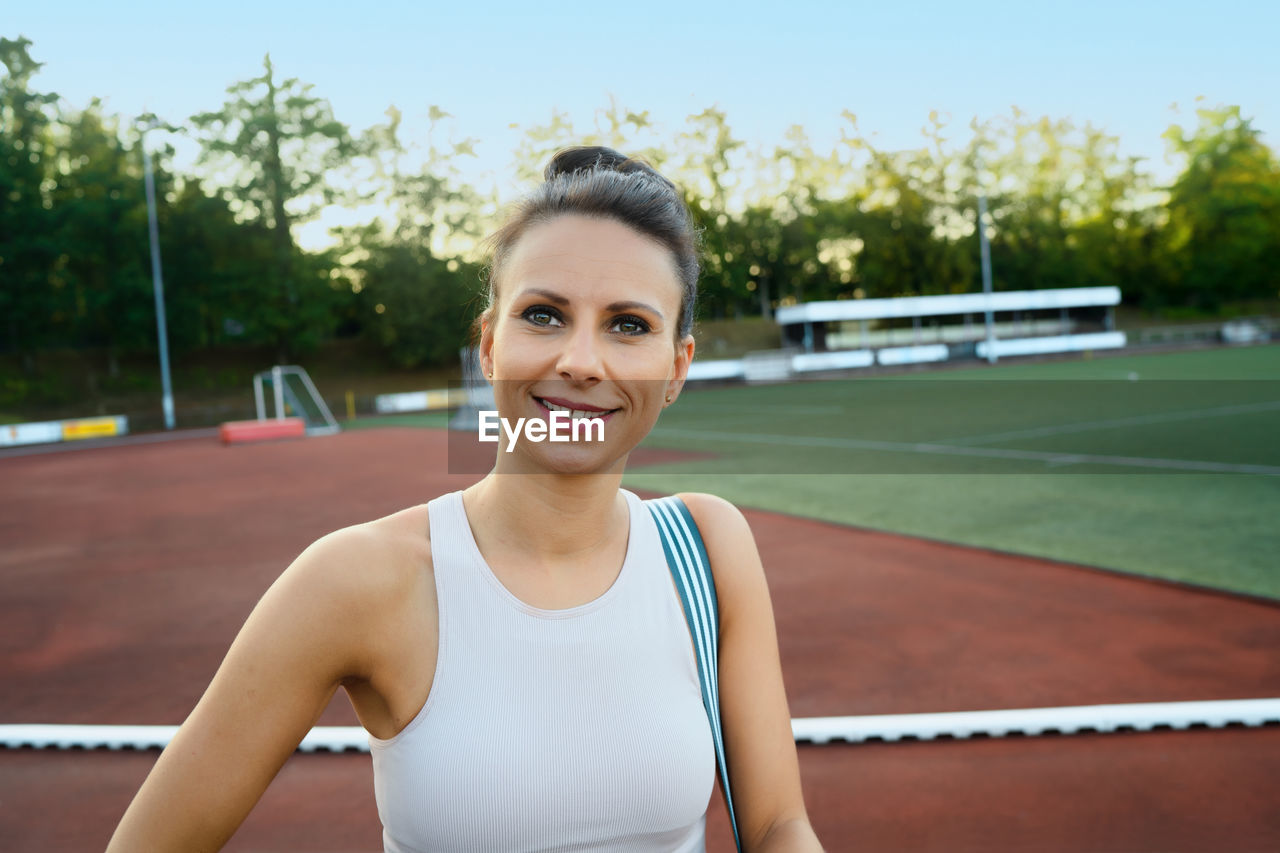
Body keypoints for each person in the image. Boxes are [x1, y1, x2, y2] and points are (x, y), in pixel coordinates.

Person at [108, 146, 822, 852]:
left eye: (628, 324)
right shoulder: (357, 578)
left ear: (676, 367)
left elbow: (775, 826)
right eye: (543, 314)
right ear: (488, 347)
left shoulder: (705, 547)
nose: (578, 360)